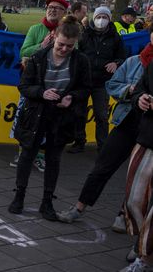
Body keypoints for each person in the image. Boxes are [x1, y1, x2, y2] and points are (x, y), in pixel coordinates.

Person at [8, 15, 91, 221]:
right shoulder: (38, 57)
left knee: (53, 158)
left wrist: (71, 98)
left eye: (69, 47)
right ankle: (19, 196)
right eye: (61, 45)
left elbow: (85, 88)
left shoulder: (81, 61)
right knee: (28, 154)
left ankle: (47, 201)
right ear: (54, 37)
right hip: (36, 112)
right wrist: (41, 93)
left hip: (62, 115)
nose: (64, 50)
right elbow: (24, 86)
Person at [57, 50, 146, 225]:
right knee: (103, 166)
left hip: (148, 130)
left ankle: (124, 215)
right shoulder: (134, 62)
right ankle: (78, 207)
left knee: (139, 176)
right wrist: (130, 90)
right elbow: (112, 85)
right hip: (127, 123)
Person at [11, 0, 71, 172]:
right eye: (50, 7)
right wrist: (42, 45)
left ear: (64, 13)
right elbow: (24, 51)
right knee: (27, 118)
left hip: (55, 83)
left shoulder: (66, 32)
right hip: (33, 84)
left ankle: (40, 156)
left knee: (49, 122)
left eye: (57, 8)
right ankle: (23, 153)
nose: (52, 10)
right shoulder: (36, 29)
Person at [115, 41, 153, 272]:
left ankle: (146, 259)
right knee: (133, 198)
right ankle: (142, 242)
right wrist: (141, 99)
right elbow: (140, 89)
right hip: (148, 138)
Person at [67, 6, 125, 153]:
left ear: (109, 19)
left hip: (102, 82)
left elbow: (122, 57)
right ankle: (79, 142)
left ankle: (102, 145)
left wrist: (116, 63)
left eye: (105, 17)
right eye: (99, 17)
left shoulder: (116, 37)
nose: (101, 20)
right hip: (84, 81)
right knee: (79, 112)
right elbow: (76, 53)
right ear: (94, 18)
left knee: (101, 115)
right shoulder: (85, 35)